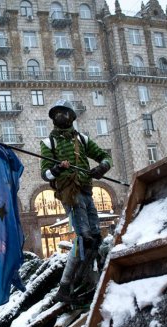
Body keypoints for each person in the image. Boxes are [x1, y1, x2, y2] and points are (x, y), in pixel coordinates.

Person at [40, 100, 113, 303]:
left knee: (96, 238)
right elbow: (45, 174)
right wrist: (57, 169)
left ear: (72, 116)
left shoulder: (81, 139)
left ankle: (91, 281)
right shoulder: (48, 144)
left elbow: (105, 156)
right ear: (54, 118)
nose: (62, 117)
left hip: (87, 190)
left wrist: (102, 168)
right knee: (84, 238)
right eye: (58, 114)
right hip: (70, 194)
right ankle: (65, 287)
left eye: (65, 113)